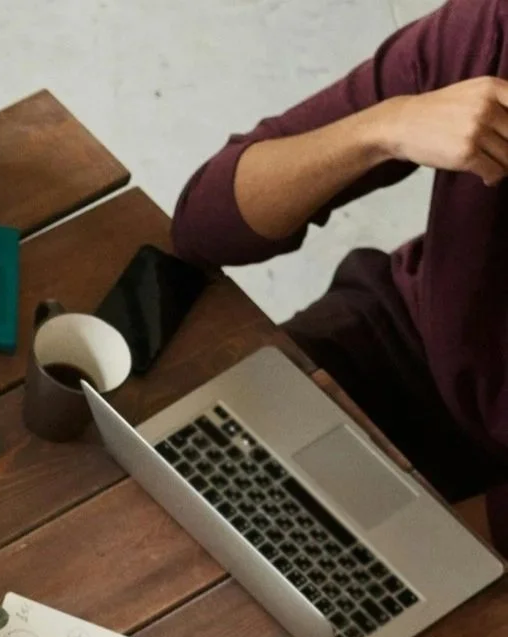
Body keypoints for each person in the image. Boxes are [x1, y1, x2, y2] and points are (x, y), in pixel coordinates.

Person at [172, 0, 508, 546]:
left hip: (491, 488)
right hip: (402, 344)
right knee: (161, 454)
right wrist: (387, 126)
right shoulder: (491, 33)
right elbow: (204, 225)